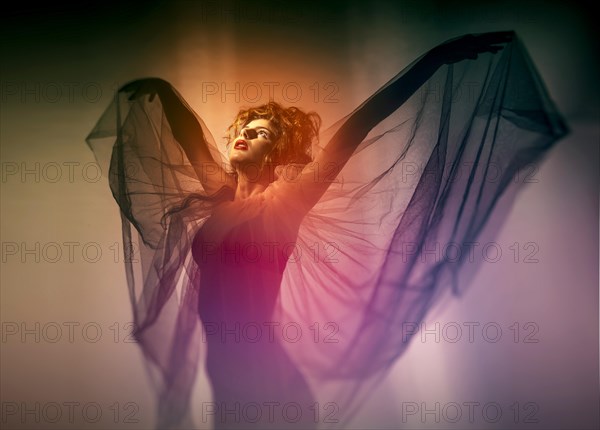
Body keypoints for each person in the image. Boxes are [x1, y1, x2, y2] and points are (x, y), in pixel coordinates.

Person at [86, 31, 567, 429]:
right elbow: (190, 137)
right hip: (226, 380)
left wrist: (434, 61)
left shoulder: (287, 204)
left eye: (261, 132)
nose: (245, 132)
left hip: (269, 381)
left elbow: (355, 129)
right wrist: (164, 91)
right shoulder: (218, 199)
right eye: (243, 126)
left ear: (279, 153)